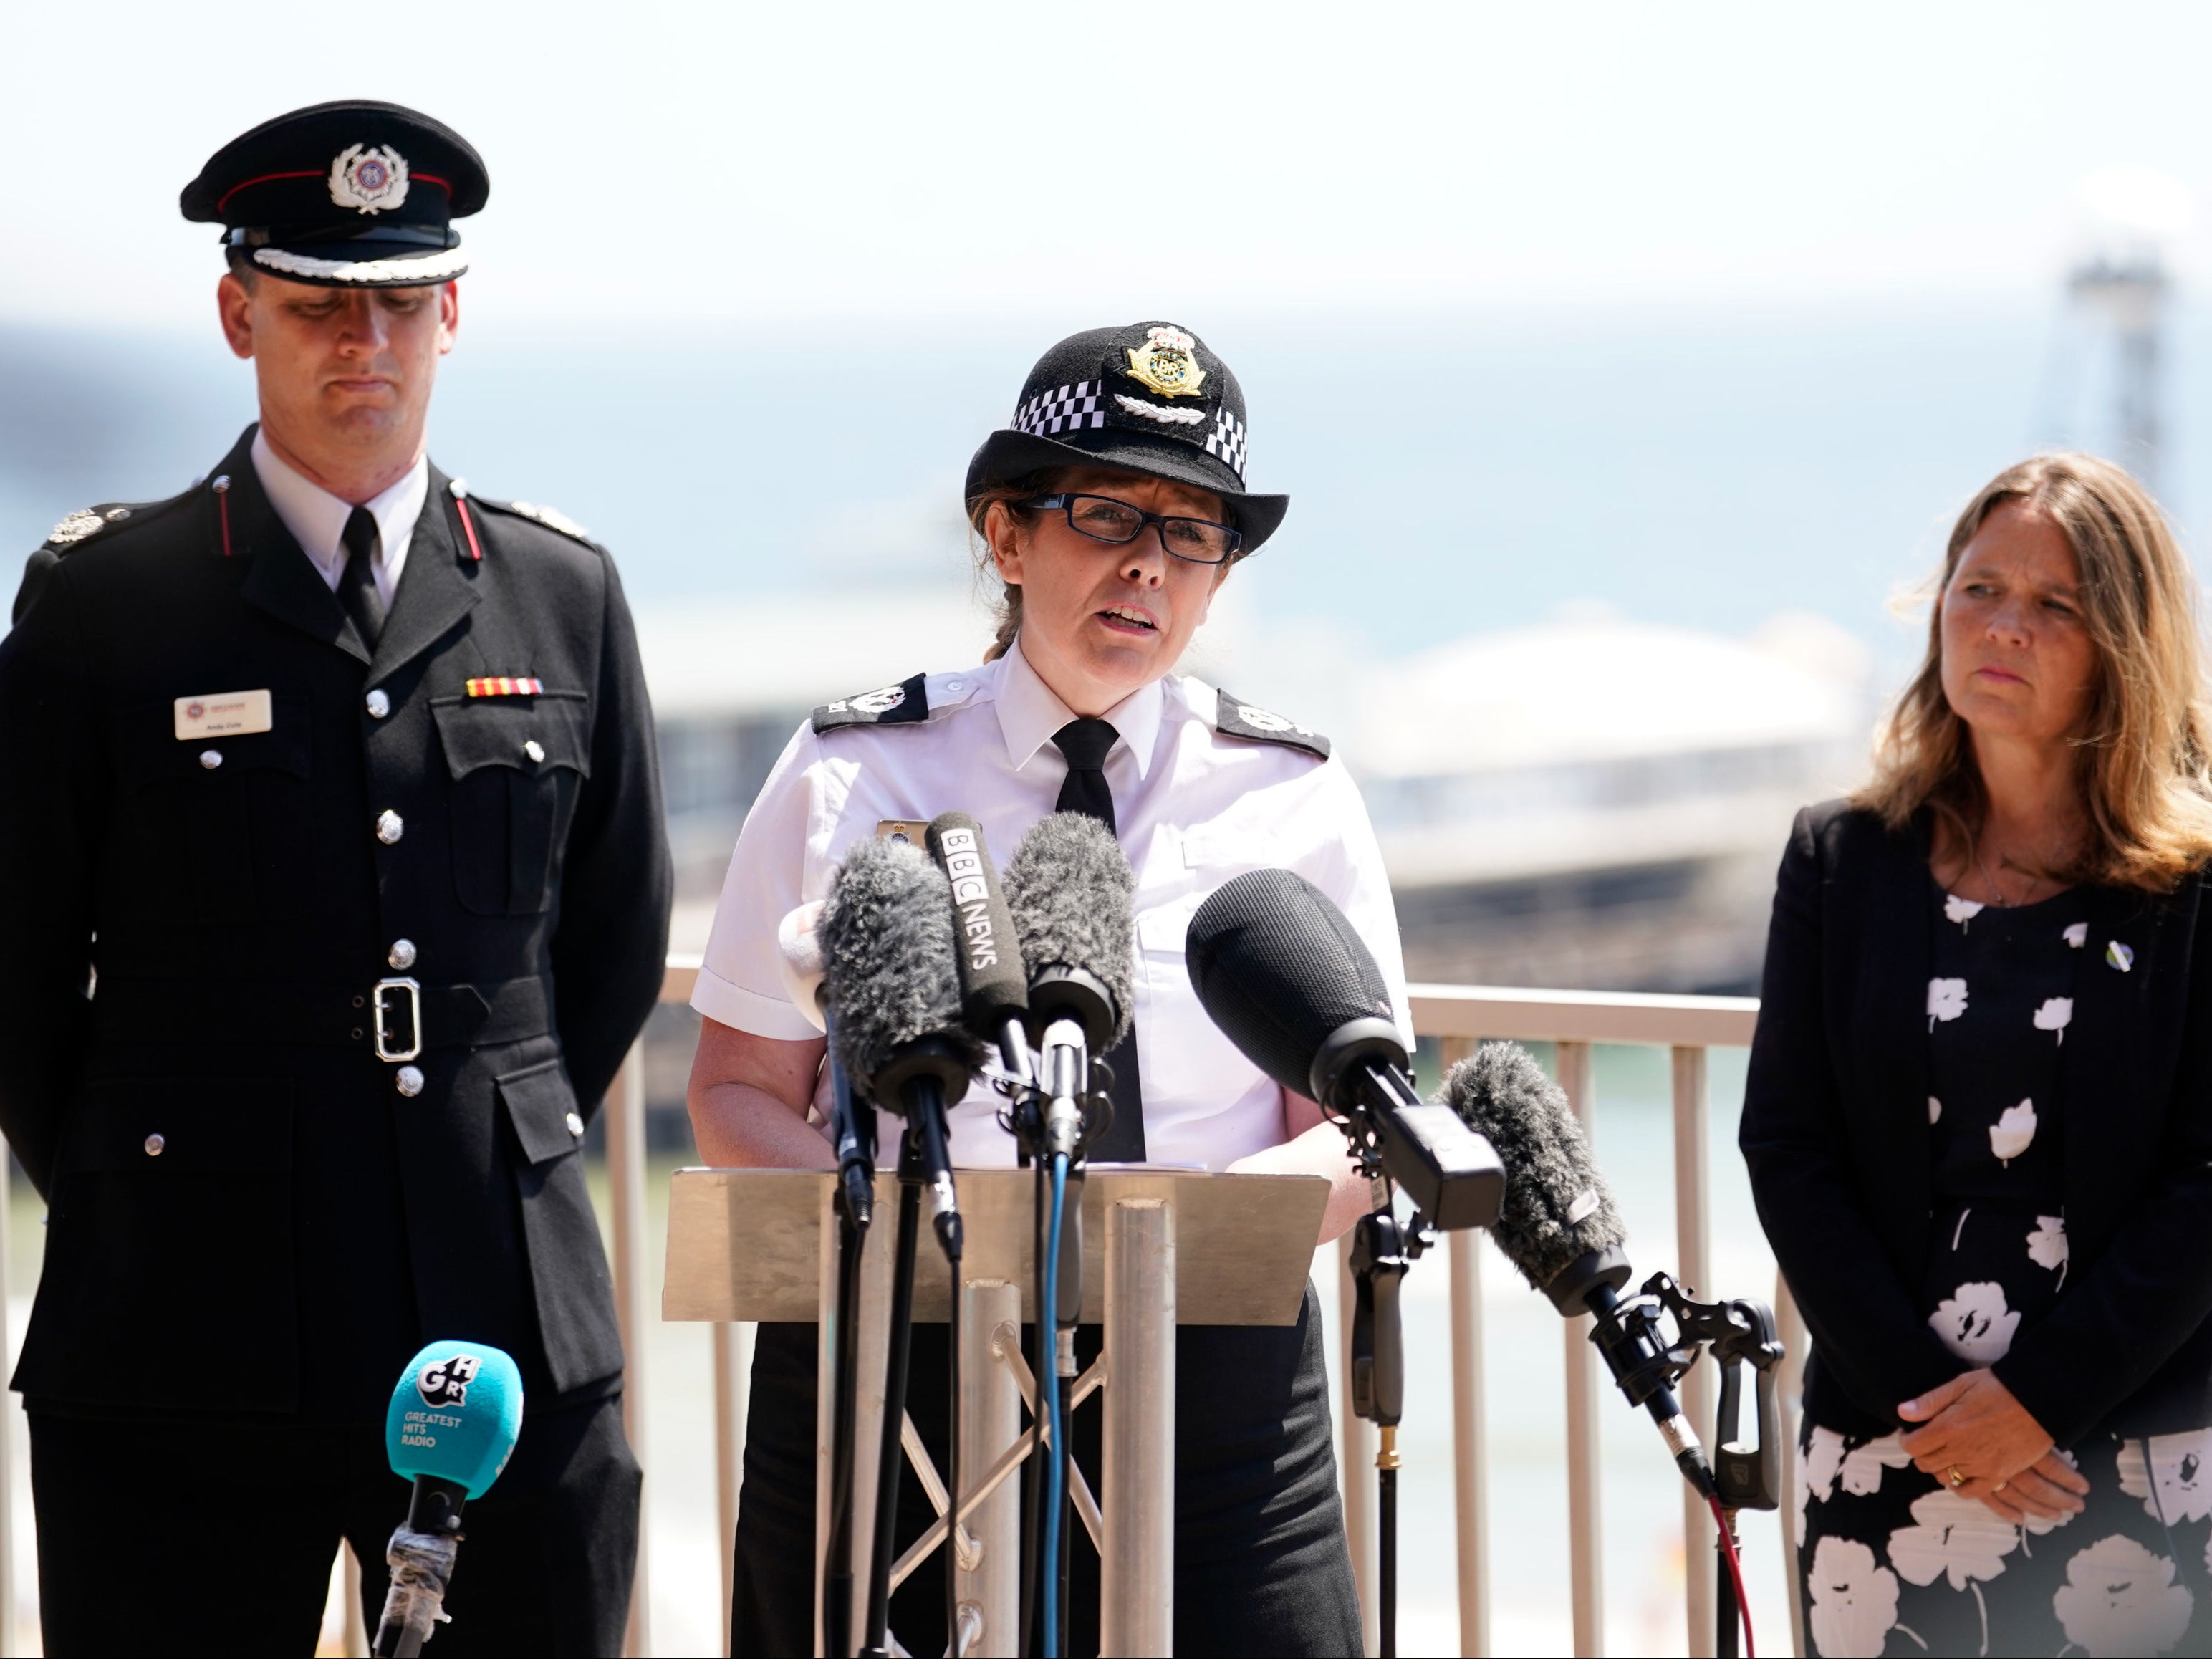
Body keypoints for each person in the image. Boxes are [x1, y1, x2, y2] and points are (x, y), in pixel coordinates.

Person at [0, 101, 670, 1655]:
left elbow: (616, 938)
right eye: (313, 305)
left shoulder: (558, 595)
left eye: (395, 303)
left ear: (452, 314)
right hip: (183, 1319)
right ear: (240, 314)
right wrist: (142, 1186)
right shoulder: (109, 606)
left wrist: (481, 1142)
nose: (358, 342)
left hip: (493, 1314)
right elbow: (18, 966)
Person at [688, 321, 1398, 1656]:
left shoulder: (1291, 794)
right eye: (1107, 511)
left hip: (1215, 1376)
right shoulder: (855, 770)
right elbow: (736, 1087)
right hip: (894, 1357)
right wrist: (898, 1236)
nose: (1149, 564)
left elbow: (1365, 1129)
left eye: (1195, 535)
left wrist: (1153, 1246)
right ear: (1007, 538)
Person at [1741, 453, 2212, 1658]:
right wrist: (1932, 1411)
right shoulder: (1840, 860)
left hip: (2132, 1449)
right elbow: (1789, 1147)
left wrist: (2037, 1404)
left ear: (2127, 644)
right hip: (1887, 1447)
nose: (2004, 626)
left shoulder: (2195, 885)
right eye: (1979, 587)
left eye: (2055, 606)